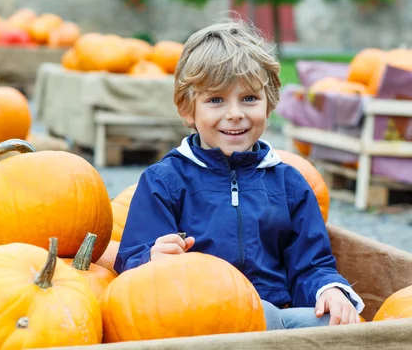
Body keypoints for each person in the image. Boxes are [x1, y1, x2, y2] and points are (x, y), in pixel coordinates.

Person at [114, 18, 364, 329]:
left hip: (275, 313)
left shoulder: (289, 184)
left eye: (249, 98)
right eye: (216, 100)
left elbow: (311, 264)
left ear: (269, 104)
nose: (235, 113)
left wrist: (330, 290)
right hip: (198, 319)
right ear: (188, 109)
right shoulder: (165, 181)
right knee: (264, 320)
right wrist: (151, 257)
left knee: (337, 322)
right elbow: (129, 258)